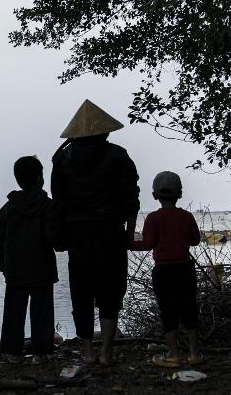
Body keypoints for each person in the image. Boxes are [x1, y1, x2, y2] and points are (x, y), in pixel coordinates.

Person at [51, 99, 140, 366]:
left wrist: (60, 235)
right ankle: (106, 352)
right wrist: (130, 233)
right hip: (110, 233)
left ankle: (88, 351)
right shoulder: (118, 155)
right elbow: (131, 198)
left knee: (81, 291)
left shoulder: (62, 158)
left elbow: (58, 201)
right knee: (111, 291)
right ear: (104, 131)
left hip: (77, 235)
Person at [129, 171, 203, 367]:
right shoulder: (187, 216)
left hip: (163, 272)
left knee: (167, 311)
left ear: (155, 195)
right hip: (185, 269)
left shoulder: (153, 218)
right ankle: (195, 354)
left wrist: (128, 243)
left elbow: (147, 244)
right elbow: (195, 240)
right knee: (189, 309)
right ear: (179, 194)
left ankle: (173, 354)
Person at [0, 156, 59, 365]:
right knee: (42, 312)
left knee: (14, 312)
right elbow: (54, 238)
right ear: (40, 178)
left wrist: (4, 265)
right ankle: (42, 352)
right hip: (42, 269)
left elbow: (0, 243)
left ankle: (12, 352)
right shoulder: (48, 206)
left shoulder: (7, 208)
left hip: (15, 270)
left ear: (18, 179)